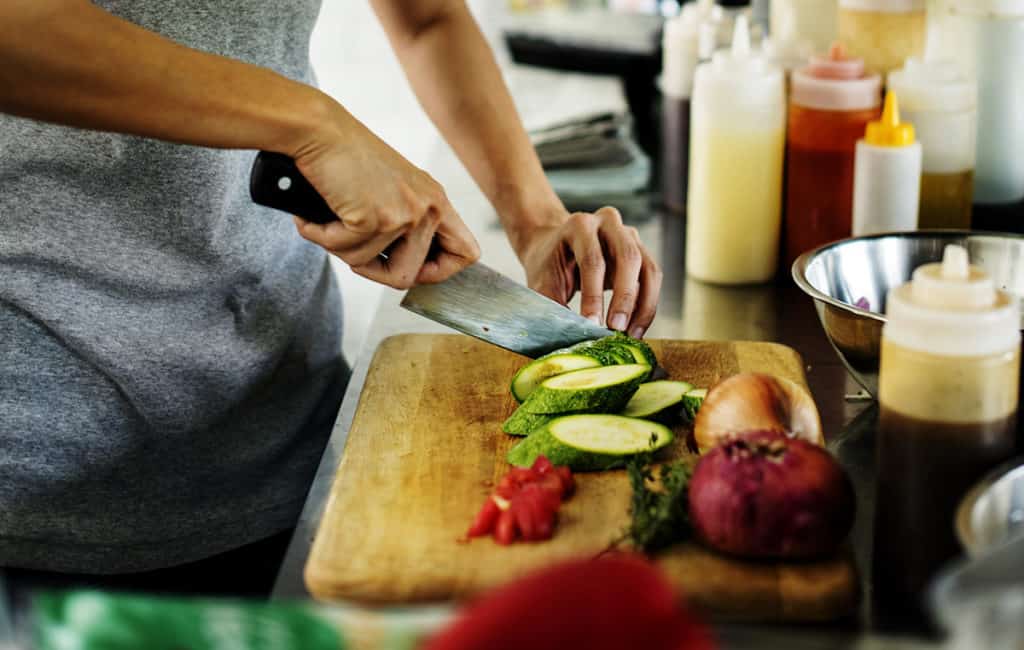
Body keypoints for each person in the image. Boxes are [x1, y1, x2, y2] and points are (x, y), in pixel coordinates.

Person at [0, 0, 663, 597]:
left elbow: (427, 18)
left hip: (293, 435)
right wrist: (314, 124)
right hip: (53, 479)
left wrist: (536, 219)